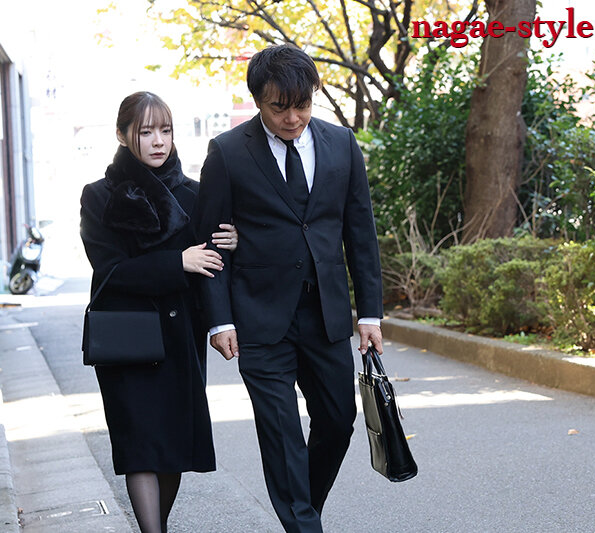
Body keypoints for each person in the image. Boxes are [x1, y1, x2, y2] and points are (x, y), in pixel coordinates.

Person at [193, 45, 384, 533]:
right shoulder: (228, 152)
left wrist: (370, 314)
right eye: (280, 107)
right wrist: (220, 319)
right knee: (281, 433)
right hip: (258, 317)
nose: (293, 118)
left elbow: (360, 233)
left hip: (326, 314)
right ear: (258, 99)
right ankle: (304, 526)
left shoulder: (341, 143)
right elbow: (211, 242)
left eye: (303, 105)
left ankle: (303, 512)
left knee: (338, 421)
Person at [79, 91, 238, 533]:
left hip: (179, 338)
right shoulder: (99, 196)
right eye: (146, 131)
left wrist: (235, 244)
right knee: (139, 448)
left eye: (165, 130)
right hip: (127, 339)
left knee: (172, 450)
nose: (158, 141)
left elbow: (216, 263)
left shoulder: (195, 194)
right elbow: (110, 271)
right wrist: (176, 262)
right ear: (122, 134)